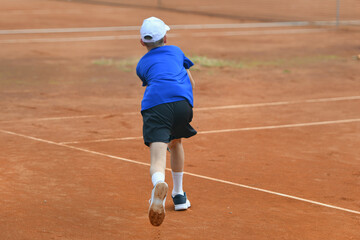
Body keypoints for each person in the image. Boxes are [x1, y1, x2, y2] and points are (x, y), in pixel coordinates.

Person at [136, 16, 197, 226]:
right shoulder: (177, 51)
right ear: (166, 37)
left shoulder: (141, 64)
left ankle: (159, 184)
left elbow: (155, 81)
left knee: (157, 158)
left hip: (156, 105)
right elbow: (191, 81)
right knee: (176, 142)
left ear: (142, 42)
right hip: (183, 103)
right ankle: (179, 195)